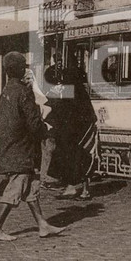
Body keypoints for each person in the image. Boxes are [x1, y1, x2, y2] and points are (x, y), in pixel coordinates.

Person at [0, 52, 68, 241]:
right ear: (20, 69)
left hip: (12, 146)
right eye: (24, 66)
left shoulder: (6, 91)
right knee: (15, 188)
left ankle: (42, 225)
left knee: (32, 188)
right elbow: (33, 122)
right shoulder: (24, 92)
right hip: (22, 149)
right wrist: (45, 130)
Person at [45, 61, 98, 200]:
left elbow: (58, 108)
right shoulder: (78, 91)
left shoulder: (73, 91)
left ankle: (83, 190)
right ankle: (72, 188)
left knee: (81, 159)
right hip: (74, 133)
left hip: (80, 134)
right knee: (73, 160)